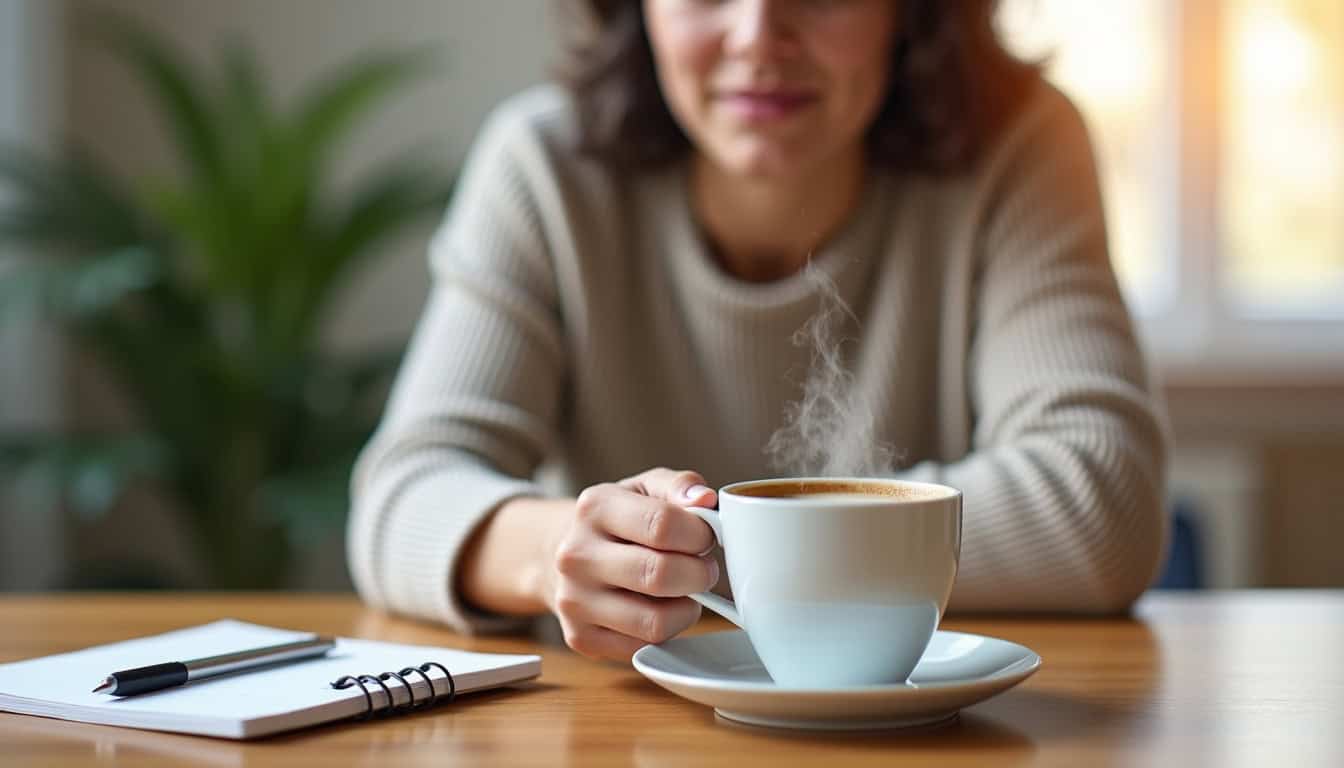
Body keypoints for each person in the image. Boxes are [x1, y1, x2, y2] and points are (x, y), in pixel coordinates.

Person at [347, 0, 1169, 661]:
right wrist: (568, 547)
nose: (759, 34)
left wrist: (710, 555)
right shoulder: (546, 167)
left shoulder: (1017, 147)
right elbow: (403, 496)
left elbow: (1101, 506)